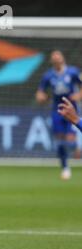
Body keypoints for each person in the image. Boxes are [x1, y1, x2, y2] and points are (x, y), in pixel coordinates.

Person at [35, 50, 82, 180]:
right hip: (57, 110)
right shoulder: (48, 75)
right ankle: (65, 167)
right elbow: (40, 92)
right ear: (52, 61)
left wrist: (78, 95)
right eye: (54, 57)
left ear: (62, 58)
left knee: (70, 140)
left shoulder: (72, 72)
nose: (56, 59)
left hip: (71, 109)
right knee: (60, 140)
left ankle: (77, 146)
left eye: (58, 56)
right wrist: (41, 97)